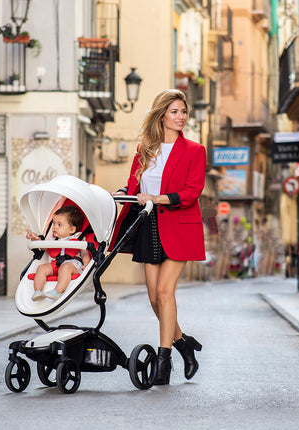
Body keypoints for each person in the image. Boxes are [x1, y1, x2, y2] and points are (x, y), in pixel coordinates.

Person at [110, 89, 206, 385]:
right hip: (148, 225)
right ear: (162, 114)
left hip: (179, 226)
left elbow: (192, 192)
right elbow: (132, 185)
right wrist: (120, 195)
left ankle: (163, 363)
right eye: (175, 111)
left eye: (183, 112)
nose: (180, 117)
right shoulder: (144, 150)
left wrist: (158, 197)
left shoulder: (194, 150)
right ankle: (184, 344)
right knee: (153, 298)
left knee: (165, 292)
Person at [26, 205, 91, 301]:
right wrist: (36, 239)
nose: (55, 227)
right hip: (56, 264)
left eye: (59, 225)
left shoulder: (78, 238)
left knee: (65, 267)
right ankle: (38, 291)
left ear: (72, 229)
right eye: (54, 223)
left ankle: (57, 291)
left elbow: (85, 253)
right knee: (41, 268)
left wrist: (86, 264)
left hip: (72, 265)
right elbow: (44, 248)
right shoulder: (53, 239)